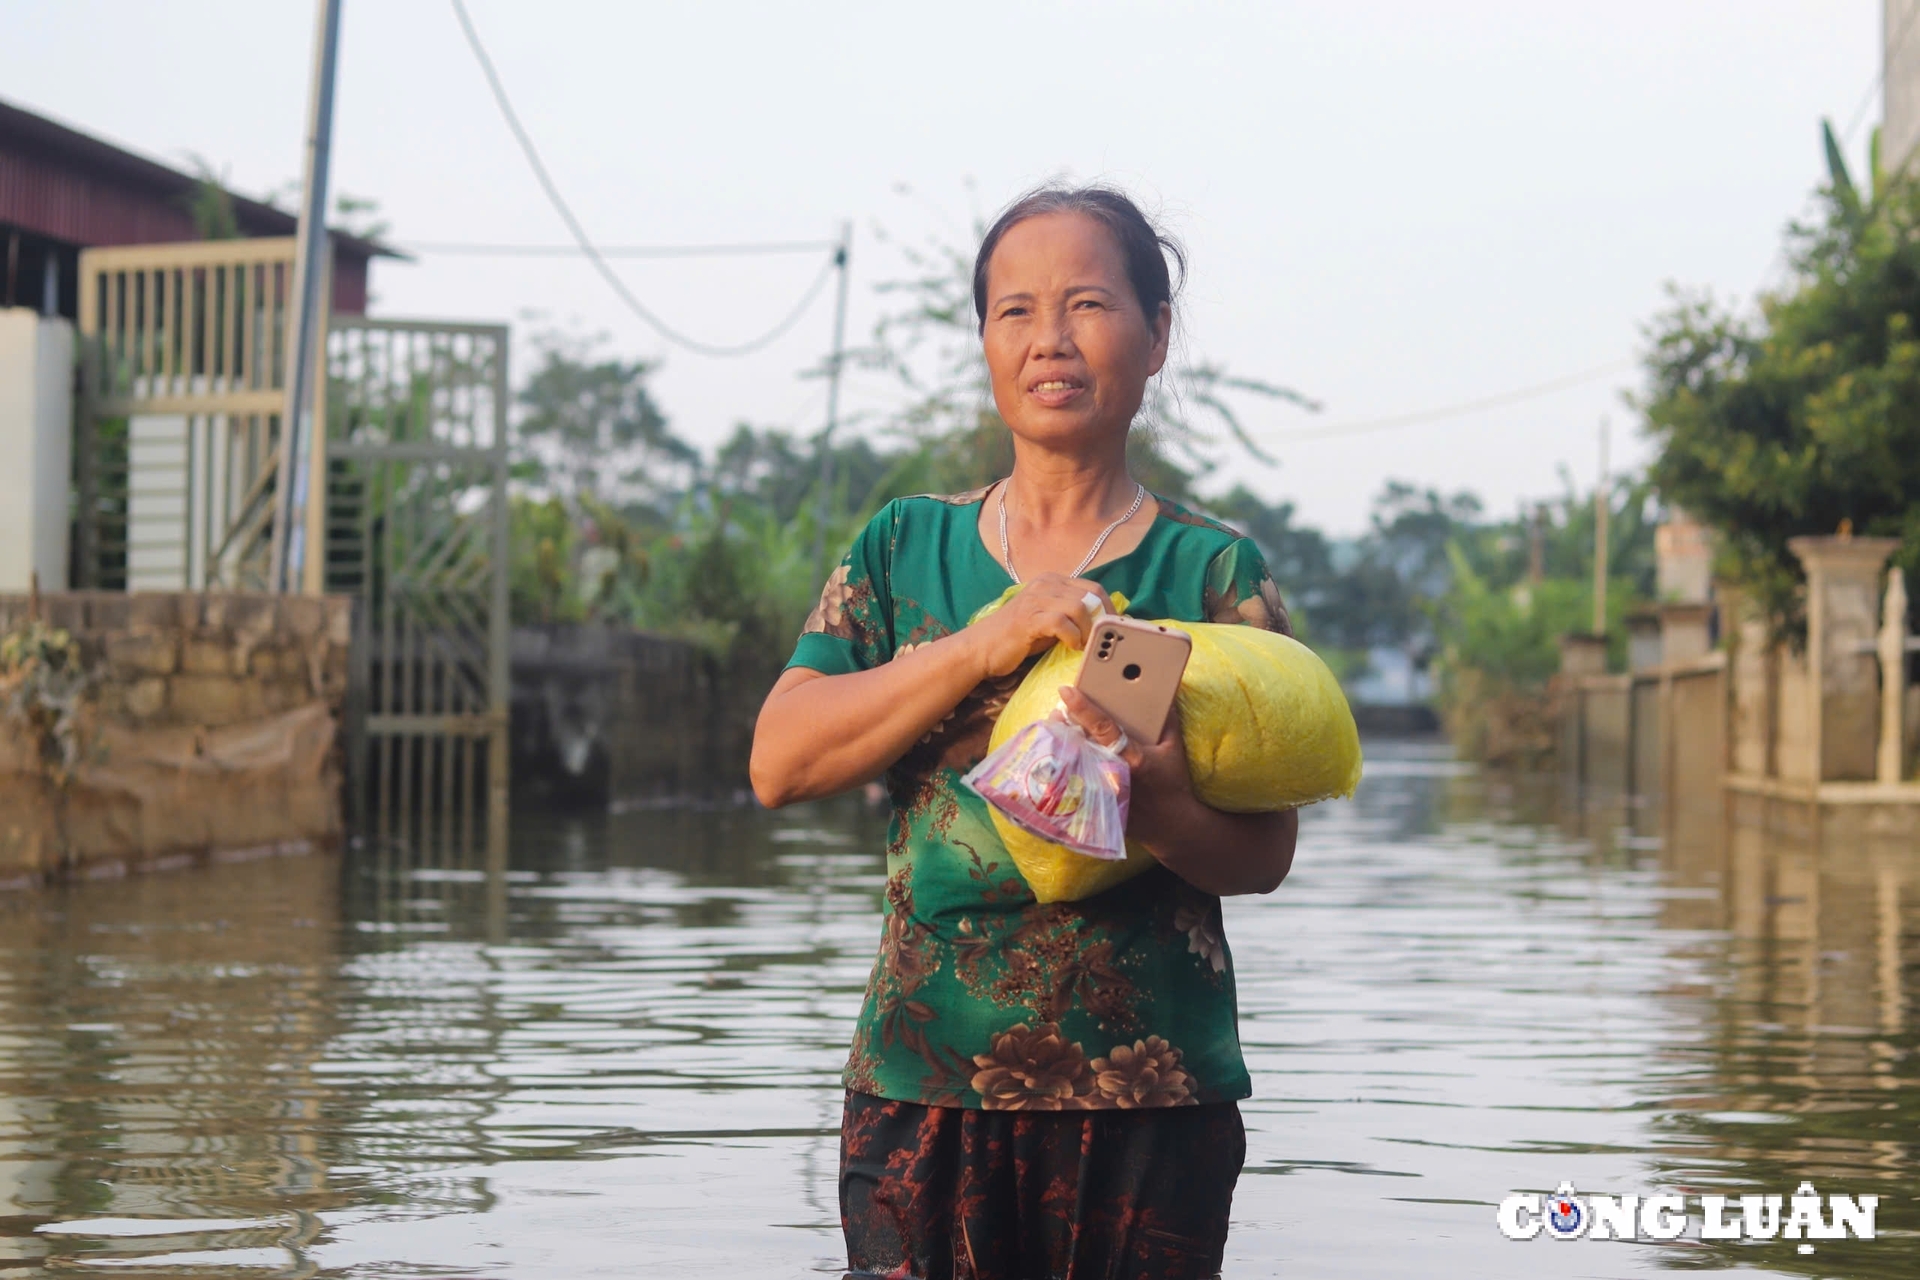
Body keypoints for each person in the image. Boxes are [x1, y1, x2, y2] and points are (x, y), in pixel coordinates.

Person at [751, 185, 1299, 1280]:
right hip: (923, 1079)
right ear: (987, 342)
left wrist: (1155, 798)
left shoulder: (1212, 575)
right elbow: (780, 759)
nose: (1049, 339)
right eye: (1015, 311)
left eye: (1088, 303)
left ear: (1156, 335)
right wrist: (982, 643)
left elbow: (1266, 854)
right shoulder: (904, 549)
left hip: (1150, 1096)